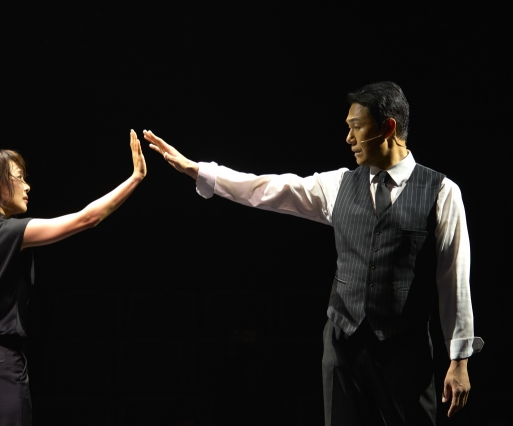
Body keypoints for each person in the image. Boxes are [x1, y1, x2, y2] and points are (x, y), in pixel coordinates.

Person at [143, 82, 482, 426]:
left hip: (403, 349)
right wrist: (199, 170)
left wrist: (460, 360)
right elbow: (266, 188)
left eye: (356, 127)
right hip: (343, 342)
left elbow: (454, 280)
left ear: (388, 127)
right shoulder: (339, 185)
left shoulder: (441, 192)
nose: (348, 139)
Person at [0, 130, 146, 425]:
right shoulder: (10, 232)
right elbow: (87, 218)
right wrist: (135, 178)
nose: (27, 186)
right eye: (19, 177)